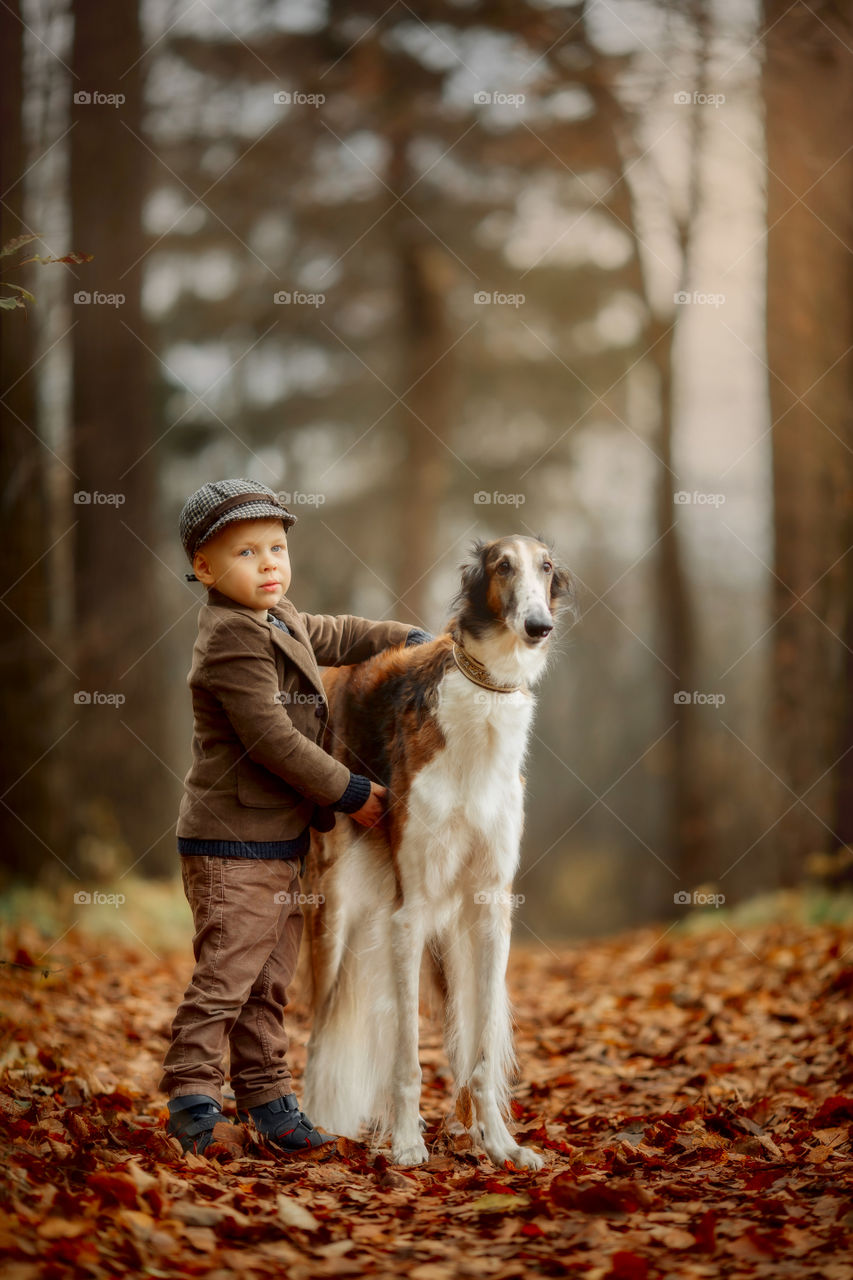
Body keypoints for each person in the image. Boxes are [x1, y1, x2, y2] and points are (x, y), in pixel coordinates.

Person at [159, 479, 431, 1158]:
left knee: (268, 982)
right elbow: (272, 740)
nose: (270, 563)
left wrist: (411, 639)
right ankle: (192, 1096)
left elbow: (337, 634)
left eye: (276, 547)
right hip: (229, 843)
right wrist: (352, 793)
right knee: (226, 976)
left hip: (274, 844)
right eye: (246, 552)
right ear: (205, 569)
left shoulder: (279, 620)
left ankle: (270, 1099)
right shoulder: (228, 641)